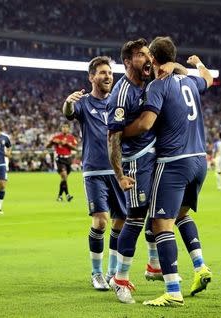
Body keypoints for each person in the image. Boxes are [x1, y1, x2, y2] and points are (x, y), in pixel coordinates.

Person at [122, 36, 213, 307]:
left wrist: (118, 132)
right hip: (200, 160)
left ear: (152, 57)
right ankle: (200, 266)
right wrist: (197, 63)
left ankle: (173, 290)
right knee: (181, 216)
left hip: (174, 162)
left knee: (160, 224)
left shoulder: (159, 86)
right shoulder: (191, 82)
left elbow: (146, 123)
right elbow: (208, 79)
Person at [107, 38, 191, 304]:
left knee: (157, 214)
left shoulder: (150, 79)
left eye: (148, 54)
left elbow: (183, 72)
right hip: (135, 162)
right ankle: (119, 279)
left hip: (156, 156)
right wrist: (120, 175)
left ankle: (154, 266)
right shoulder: (121, 93)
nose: (147, 59)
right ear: (127, 61)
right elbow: (113, 138)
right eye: (140, 55)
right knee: (135, 218)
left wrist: (172, 65)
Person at [63, 56, 127, 291]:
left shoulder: (118, 103)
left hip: (118, 170)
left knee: (121, 221)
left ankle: (112, 271)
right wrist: (69, 102)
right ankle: (96, 273)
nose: (107, 76)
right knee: (100, 222)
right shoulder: (83, 102)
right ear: (91, 77)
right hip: (94, 170)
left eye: (109, 72)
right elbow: (69, 112)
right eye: (102, 72)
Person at [46, 123, 78, 202]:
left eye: (66, 127)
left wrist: (67, 144)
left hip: (68, 159)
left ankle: (60, 196)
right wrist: (52, 142)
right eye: (63, 127)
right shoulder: (57, 137)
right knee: (64, 176)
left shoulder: (71, 138)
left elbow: (75, 148)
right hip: (60, 159)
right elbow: (47, 146)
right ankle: (67, 195)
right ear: (61, 128)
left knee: (64, 178)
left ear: (68, 129)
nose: (64, 129)